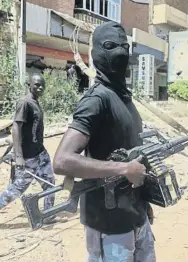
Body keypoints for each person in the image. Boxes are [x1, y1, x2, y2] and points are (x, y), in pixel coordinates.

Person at [53, 21, 156, 261]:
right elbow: (62, 161)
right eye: (110, 46)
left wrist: (144, 203)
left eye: (124, 46)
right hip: (108, 224)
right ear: (98, 53)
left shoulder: (125, 100)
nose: (120, 52)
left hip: (135, 217)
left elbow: (135, 156)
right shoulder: (97, 100)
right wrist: (124, 169)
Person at [0, 74, 56, 230]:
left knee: (49, 183)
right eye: (37, 85)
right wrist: (19, 157)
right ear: (29, 85)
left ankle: (49, 213)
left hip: (40, 153)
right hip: (27, 157)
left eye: (42, 85)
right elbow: (16, 128)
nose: (40, 88)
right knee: (17, 189)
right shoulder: (24, 103)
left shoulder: (35, 103)